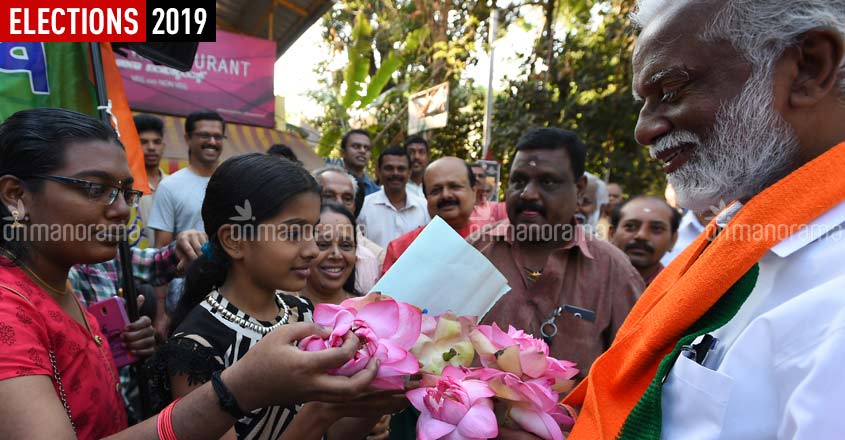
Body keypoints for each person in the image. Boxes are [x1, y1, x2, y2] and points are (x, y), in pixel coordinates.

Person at [0, 108, 383, 440]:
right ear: (16, 196)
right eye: (94, 188)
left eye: (125, 192)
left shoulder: (63, 285)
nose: (121, 210)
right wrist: (242, 388)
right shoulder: (7, 307)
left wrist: (367, 398)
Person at [563, 2, 845, 439]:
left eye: (672, 89)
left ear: (809, 69)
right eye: (645, 102)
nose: (644, 130)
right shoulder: (738, 234)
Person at [157, 154, 406, 439]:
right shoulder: (196, 347)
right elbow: (321, 418)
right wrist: (324, 412)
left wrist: (372, 398)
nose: (312, 249)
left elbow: (334, 433)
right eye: (293, 233)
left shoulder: (301, 312)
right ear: (234, 240)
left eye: (311, 232)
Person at [469, 128, 644, 380]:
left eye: (547, 182)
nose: (528, 193)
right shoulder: (475, 251)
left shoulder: (613, 269)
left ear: (580, 188)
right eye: (518, 180)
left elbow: (635, 369)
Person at [148, 110, 225, 337]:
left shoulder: (234, 181)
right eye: (204, 135)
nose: (212, 141)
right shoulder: (170, 186)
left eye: (218, 136)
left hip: (231, 290)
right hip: (185, 294)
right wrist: (160, 313)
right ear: (188, 138)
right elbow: (159, 254)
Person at [382, 157, 478, 273]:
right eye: (436, 190)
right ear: (426, 198)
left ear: (474, 192)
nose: (446, 195)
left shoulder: (492, 244)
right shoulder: (401, 249)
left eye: (454, 187)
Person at [313, 165, 384, 294]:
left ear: (355, 206)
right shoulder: (293, 252)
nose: (339, 203)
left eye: (347, 198)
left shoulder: (375, 257)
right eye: (329, 195)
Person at [357, 146, 429, 248]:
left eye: (401, 169)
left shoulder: (424, 208)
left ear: (409, 173)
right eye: (389, 168)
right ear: (378, 172)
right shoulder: (363, 207)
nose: (395, 173)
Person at [608, 196, 680, 285]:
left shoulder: (680, 290)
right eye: (630, 226)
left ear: (673, 240)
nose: (642, 236)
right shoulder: (590, 280)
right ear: (611, 234)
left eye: (656, 228)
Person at [133, 114, 169, 249]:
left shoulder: (173, 184)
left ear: (163, 146)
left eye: (157, 142)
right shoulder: (127, 187)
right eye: (144, 142)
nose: (151, 147)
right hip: (135, 264)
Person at [340, 129, 379, 196]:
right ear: (343, 153)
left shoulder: (376, 192)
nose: (363, 151)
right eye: (356, 146)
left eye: (367, 148)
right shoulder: (330, 185)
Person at [576, 172, 609, 237]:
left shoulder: (602, 246)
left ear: (601, 209)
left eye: (584, 202)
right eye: (571, 200)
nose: (575, 208)